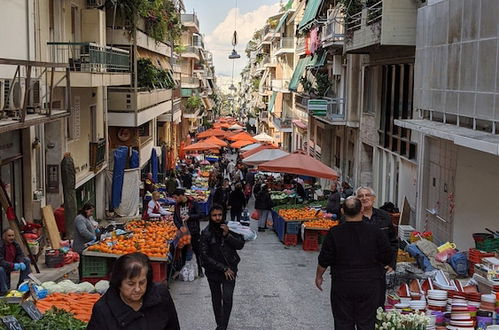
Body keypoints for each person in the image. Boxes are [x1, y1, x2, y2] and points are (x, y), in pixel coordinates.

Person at [315, 197, 393, 330]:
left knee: (343, 321)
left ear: (342, 211)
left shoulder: (335, 233)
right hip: (370, 283)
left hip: (343, 283)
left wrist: (319, 276)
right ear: (362, 209)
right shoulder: (375, 232)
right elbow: (387, 255)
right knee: (368, 322)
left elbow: (324, 258)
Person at [87, 252, 180, 329]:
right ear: (119, 283)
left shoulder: (161, 295)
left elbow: (173, 327)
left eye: (142, 282)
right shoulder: (103, 310)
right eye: (131, 284)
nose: (137, 289)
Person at [200, 205, 245, 330]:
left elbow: (240, 245)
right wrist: (223, 268)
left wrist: (227, 235)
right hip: (214, 271)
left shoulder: (231, 228)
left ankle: (223, 326)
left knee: (227, 297)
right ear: (210, 216)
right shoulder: (206, 233)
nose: (217, 218)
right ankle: (220, 323)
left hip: (231, 269)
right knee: (216, 298)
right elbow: (204, 256)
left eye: (219, 215)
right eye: (214, 215)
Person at [355, 186, 398, 308]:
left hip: (378, 270)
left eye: (367, 195)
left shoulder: (384, 217)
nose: (364, 198)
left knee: (377, 304)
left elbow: (393, 242)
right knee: (358, 306)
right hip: (357, 271)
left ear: (373, 198)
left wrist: (391, 263)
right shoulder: (351, 218)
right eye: (360, 196)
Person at [172, 189, 203, 277]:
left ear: (181, 196)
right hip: (183, 232)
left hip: (193, 231)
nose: (175, 199)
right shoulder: (177, 206)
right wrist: (179, 227)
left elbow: (200, 215)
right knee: (183, 250)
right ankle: (182, 270)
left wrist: (190, 217)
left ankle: (200, 269)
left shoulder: (193, 203)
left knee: (197, 250)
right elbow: (175, 218)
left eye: (176, 197)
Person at [0, 229, 31, 296]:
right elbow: (1, 261)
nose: (11, 237)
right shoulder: (1, 245)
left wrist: (21, 262)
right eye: (9, 236)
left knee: (26, 260)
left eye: (12, 235)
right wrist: (12, 265)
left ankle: (22, 284)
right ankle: (3, 291)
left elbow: (20, 255)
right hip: (4, 267)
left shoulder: (15, 244)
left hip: (12, 264)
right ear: (4, 237)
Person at [73, 203, 98, 280]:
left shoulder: (86, 218)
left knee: (84, 261)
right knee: (82, 262)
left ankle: (83, 277)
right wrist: (92, 237)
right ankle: (81, 278)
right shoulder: (80, 218)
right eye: (90, 211)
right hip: (81, 244)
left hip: (87, 244)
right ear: (85, 210)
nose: (91, 213)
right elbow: (83, 231)